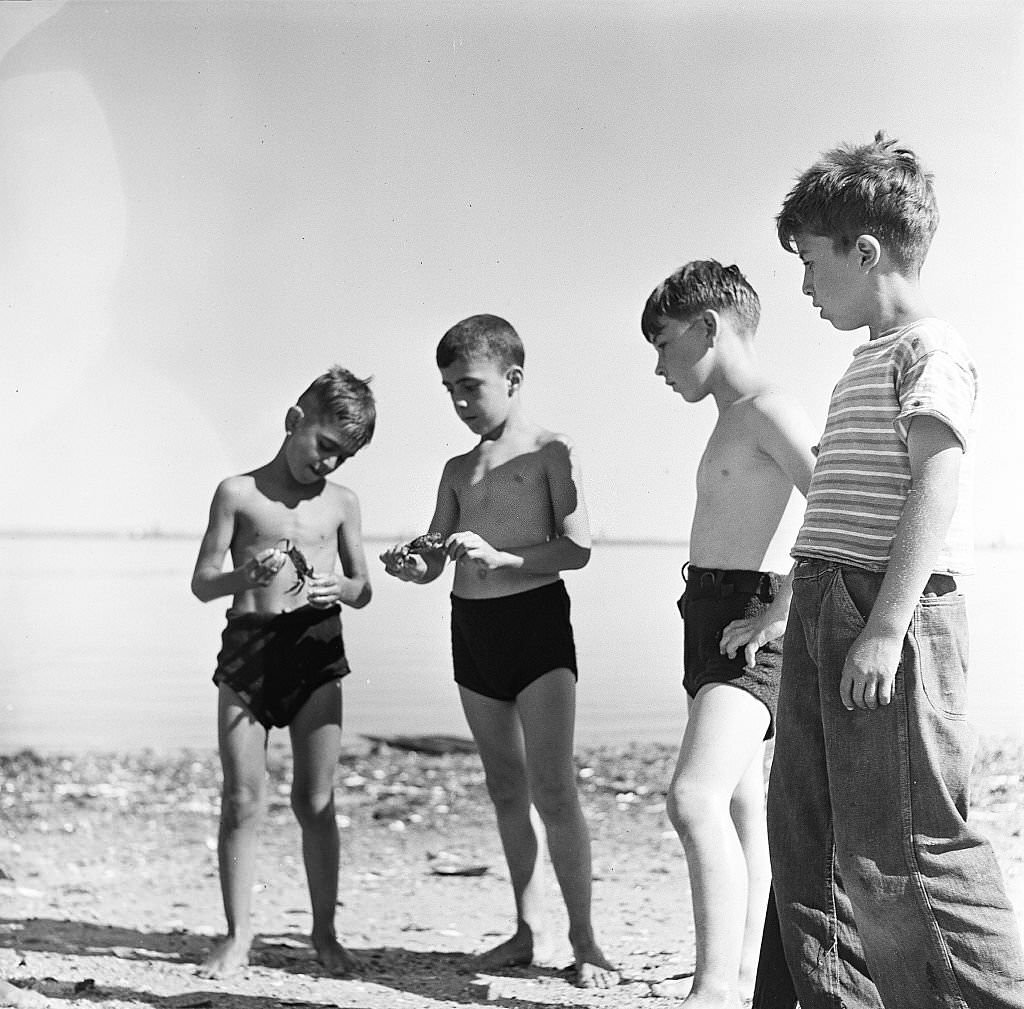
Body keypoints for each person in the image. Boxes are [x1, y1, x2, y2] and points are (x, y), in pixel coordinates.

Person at [767, 131, 1024, 1007]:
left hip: (887, 606)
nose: (803, 287)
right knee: (807, 835)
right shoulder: (864, 361)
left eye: (811, 263)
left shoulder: (930, 349)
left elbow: (936, 483)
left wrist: (883, 626)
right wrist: (791, 615)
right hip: (824, 598)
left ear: (865, 250)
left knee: (904, 845)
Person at [379, 314, 619, 989]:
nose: (460, 401)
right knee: (505, 786)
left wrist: (501, 554)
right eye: (450, 389)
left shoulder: (549, 452)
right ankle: (525, 928)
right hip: (472, 630)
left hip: (537, 626)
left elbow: (578, 546)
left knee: (553, 786)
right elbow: (435, 555)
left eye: (471, 386)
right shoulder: (457, 468)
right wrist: (411, 564)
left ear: (513, 379)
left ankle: (585, 938)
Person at [640, 261, 816, 1007]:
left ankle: (712, 989)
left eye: (664, 341)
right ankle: (744, 982)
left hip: (750, 622)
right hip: (709, 614)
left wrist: (778, 608)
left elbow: (835, 509)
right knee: (742, 806)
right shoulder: (730, 417)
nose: (658, 365)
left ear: (709, 327)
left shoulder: (770, 408)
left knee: (692, 798)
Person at [190, 366, 375, 978]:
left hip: (316, 649)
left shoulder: (342, 504)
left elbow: (362, 587)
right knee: (242, 799)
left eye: (341, 458)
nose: (328, 465)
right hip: (248, 651)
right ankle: (238, 935)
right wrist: (245, 579)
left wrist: (337, 589)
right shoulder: (237, 493)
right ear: (295, 420)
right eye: (325, 446)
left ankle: (325, 934)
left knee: (315, 800)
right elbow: (201, 583)